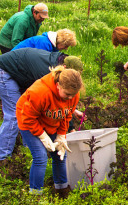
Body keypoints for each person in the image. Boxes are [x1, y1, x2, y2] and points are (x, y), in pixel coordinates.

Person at [0, 48, 84, 165]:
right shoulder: (47, 75)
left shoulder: (60, 72)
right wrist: (66, 130)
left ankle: (29, 152)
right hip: (4, 72)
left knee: (30, 117)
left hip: (21, 74)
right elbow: (40, 101)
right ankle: (2, 158)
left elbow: (59, 102)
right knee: (15, 114)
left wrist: (71, 113)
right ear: (65, 68)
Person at [17, 66, 83, 197]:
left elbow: (66, 115)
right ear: (58, 85)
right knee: (40, 158)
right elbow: (28, 118)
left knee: (60, 154)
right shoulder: (40, 92)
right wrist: (42, 136)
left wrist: (61, 135)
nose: (70, 98)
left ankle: (62, 190)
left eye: (73, 95)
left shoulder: (73, 95)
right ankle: (36, 195)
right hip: (28, 123)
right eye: (67, 94)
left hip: (51, 122)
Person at [11, 29, 76, 52]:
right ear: (60, 41)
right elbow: (40, 63)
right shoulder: (44, 43)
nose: (66, 48)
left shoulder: (53, 46)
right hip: (15, 61)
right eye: (66, 45)